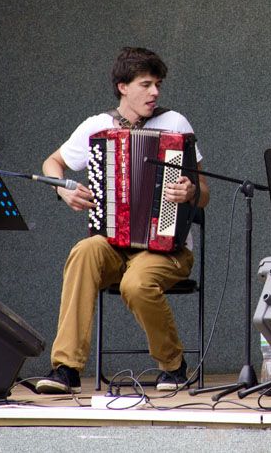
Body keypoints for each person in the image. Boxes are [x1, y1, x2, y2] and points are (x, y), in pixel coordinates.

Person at [35, 47, 209, 394]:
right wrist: (63, 191)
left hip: (166, 247)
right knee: (84, 252)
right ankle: (65, 369)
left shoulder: (175, 124)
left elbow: (204, 192)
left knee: (136, 284)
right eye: (146, 84)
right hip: (114, 243)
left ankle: (174, 366)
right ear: (122, 87)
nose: (155, 92)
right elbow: (51, 163)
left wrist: (190, 192)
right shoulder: (96, 127)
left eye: (157, 84)